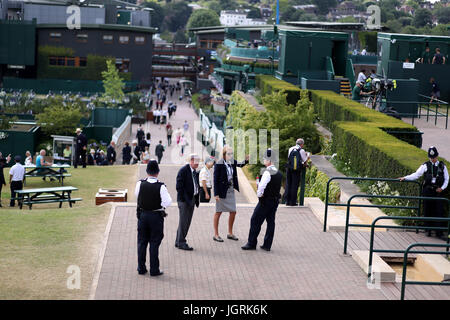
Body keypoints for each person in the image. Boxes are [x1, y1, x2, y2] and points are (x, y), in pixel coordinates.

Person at [399, 146, 449, 238]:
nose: (432, 159)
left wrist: (442, 188)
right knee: (427, 209)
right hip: (428, 191)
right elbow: (416, 175)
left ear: (437, 156)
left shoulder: (442, 166)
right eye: (431, 157)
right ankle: (428, 230)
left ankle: (439, 233)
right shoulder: (425, 165)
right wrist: (405, 177)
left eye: (434, 157)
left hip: (438, 191)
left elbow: (447, 179)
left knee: (439, 211)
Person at [135, 159, 172, 276]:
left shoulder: (140, 184)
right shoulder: (161, 186)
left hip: (143, 215)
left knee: (142, 242)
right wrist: (158, 204)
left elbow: (137, 195)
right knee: (154, 243)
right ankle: (154, 269)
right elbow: (167, 202)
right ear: (158, 172)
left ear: (147, 171)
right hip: (156, 216)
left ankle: (141, 268)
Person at [242, 149, 282, 251]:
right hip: (274, 201)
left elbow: (261, 187)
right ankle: (267, 245)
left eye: (265, 158)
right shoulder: (279, 172)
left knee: (255, 220)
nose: (264, 160)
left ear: (269, 160)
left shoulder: (267, 172)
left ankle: (251, 243)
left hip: (265, 201)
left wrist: (259, 195)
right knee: (271, 222)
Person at [213, 146, 249, 242]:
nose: (230, 155)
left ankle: (230, 233)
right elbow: (215, 180)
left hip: (230, 190)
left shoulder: (232, 161)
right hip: (221, 191)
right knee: (218, 212)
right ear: (224, 154)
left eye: (231, 153)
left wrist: (246, 160)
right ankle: (216, 234)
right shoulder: (219, 164)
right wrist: (216, 194)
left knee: (233, 211)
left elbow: (240, 165)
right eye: (229, 154)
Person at [175, 154, 200, 251]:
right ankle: (181, 242)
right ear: (191, 161)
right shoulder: (183, 170)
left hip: (192, 199)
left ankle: (178, 241)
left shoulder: (194, 171)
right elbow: (179, 187)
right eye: (196, 161)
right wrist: (185, 199)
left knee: (185, 222)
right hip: (185, 201)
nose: (197, 164)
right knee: (184, 222)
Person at [283, 139, 310, 206]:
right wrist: (307, 155)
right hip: (296, 170)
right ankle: (293, 202)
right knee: (294, 185)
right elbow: (305, 160)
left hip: (289, 168)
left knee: (288, 184)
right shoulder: (301, 150)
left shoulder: (290, 149)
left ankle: (287, 201)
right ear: (302, 144)